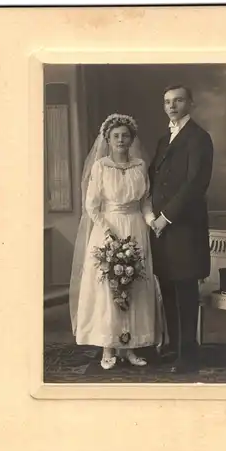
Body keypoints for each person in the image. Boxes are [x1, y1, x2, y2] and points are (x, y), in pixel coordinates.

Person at [69, 113, 164, 370]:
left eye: (125, 136)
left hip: (135, 228)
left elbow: (144, 201)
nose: (121, 140)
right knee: (108, 289)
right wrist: (107, 232)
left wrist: (151, 220)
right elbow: (92, 206)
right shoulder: (100, 167)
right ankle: (108, 347)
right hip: (107, 229)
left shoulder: (140, 166)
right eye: (116, 136)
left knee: (136, 287)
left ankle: (131, 347)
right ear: (108, 140)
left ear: (132, 139)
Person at [149, 85, 214, 373]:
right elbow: (154, 180)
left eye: (178, 101)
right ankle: (175, 347)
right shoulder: (165, 140)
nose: (172, 106)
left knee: (185, 291)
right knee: (168, 287)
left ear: (191, 103)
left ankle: (188, 355)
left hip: (184, 229)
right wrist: (152, 216)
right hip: (162, 229)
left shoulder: (199, 138)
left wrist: (166, 217)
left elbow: (194, 185)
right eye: (167, 102)